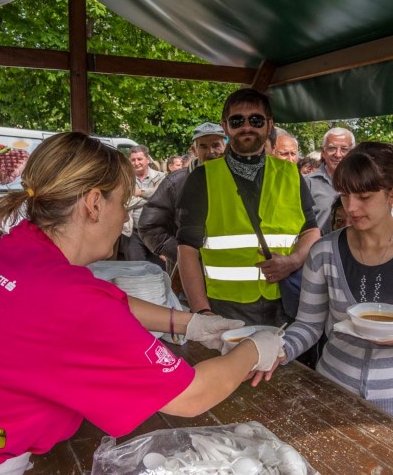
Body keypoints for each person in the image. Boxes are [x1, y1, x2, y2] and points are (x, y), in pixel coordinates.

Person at [0, 132, 284, 474]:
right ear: (93, 204)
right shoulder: (67, 301)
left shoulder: (4, 249)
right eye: (122, 203)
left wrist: (190, 324)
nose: (124, 216)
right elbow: (190, 396)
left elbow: (104, 300)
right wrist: (255, 349)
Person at [257, 141, 393, 441]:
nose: (351, 208)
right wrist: (278, 350)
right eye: (345, 195)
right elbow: (308, 325)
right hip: (336, 402)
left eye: (364, 197)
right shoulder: (324, 252)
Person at [176, 88, 320, 327]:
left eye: (256, 120)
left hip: (285, 303)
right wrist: (202, 312)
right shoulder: (202, 177)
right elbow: (187, 249)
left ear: (269, 124)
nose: (246, 127)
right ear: (225, 127)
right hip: (224, 307)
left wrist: (294, 260)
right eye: (237, 121)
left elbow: (311, 230)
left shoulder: (290, 174)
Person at [139, 122, 227, 271]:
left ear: (226, 147)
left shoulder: (237, 180)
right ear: (194, 150)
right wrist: (185, 254)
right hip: (188, 272)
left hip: (229, 268)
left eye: (216, 145)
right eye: (203, 146)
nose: (211, 152)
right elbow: (149, 226)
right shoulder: (175, 182)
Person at [121, 145, 165, 268]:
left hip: (156, 232)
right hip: (132, 233)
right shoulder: (125, 179)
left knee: (159, 269)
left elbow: (162, 198)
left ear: (148, 160)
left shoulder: (160, 177)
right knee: (136, 270)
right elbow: (124, 202)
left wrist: (140, 192)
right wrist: (151, 196)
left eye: (139, 159)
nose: (136, 163)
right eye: (133, 160)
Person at [305, 127, 355, 235]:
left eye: (344, 149)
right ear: (323, 152)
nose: (338, 154)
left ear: (352, 152)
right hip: (318, 244)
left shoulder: (361, 183)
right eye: (332, 148)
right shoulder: (308, 183)